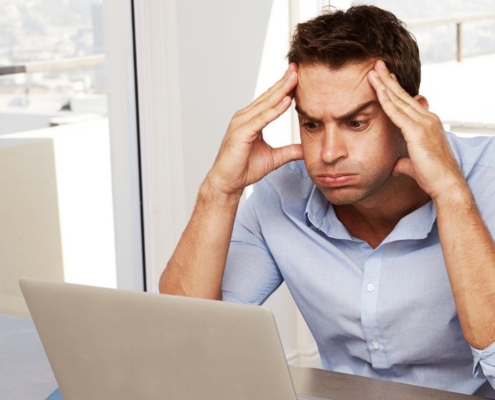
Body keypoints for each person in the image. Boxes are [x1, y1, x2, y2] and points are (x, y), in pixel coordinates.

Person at [159, 5, 495, 397]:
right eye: (312, 124)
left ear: (413, 117)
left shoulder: (486, 178)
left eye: (356, 123)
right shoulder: (281, 195)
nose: (329, 152)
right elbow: (182, 345)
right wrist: (219, 190)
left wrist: (451, 195)